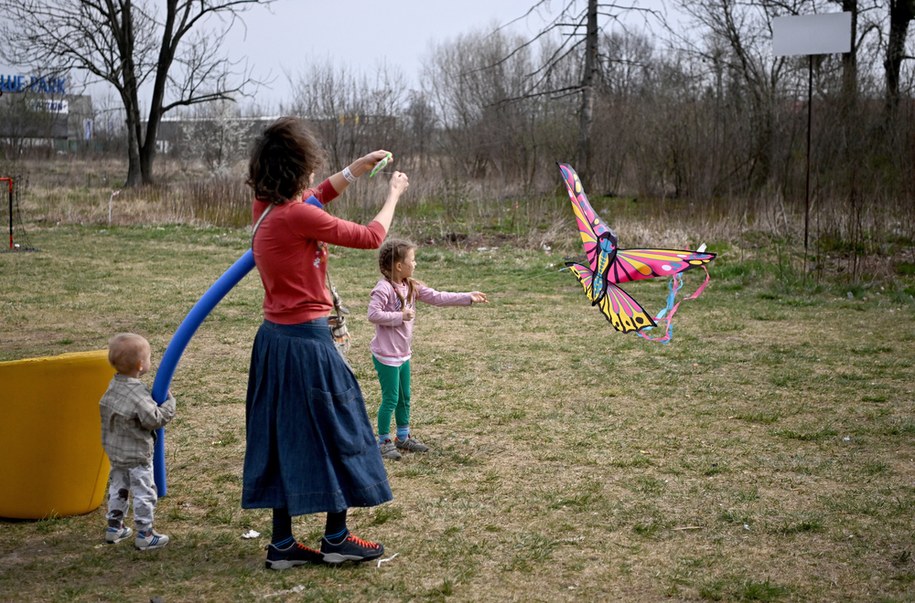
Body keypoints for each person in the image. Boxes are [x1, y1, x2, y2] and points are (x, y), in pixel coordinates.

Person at [243, 116, 410, 570]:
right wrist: (392, 193)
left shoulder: (265, 209)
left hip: (274, 343)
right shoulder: (298, 216)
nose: (314, 175)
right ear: (296, 172)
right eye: (308, 168)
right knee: (343, 429)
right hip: (308, 344)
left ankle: (282, 545)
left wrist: (356, 169)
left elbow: (315, 196)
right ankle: (336, 537)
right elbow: (373, 237)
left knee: (285, 438)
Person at [367, 238, 488, 460]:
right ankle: (383, 440)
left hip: (403, 354)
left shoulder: (411, 285)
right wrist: (399, 316)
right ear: (399, 266)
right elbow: (372, 314)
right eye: (413, 260)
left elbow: (438, 297)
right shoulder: (383, 289)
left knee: (405, 397)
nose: (416, 264)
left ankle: (402, 437)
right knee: (391, 398)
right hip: (386, 356)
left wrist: (467, 297)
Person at [99, 332, 176, 551]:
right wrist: (170, 404)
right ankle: (145, 533)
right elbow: (154, 419)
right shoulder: (138, 394)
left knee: (118, 487)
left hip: (116, 451)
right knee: (144, 492)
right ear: (141, 365)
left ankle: (114, 527)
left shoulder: (113, 386)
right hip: (137, 455)